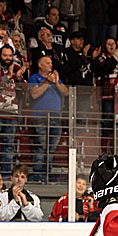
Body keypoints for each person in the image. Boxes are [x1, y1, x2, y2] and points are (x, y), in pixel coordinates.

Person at [0, 45, 26, 177]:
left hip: (11, 113)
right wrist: (7, 77)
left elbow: (25, 89)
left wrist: (18, 78)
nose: (8, 58)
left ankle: (7, 175)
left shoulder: (16, 69)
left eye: (10, 55)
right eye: (5, 55)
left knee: (9, 146)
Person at [27, 54, 68, 182]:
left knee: (51, 147)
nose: (51, 65)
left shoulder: (55, 78)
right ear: (40, 65)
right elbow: (34, 94)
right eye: (48, 63)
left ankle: (47, 174)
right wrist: (47, 82)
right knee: (41, 146)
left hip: (56, 117)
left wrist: (56, 82)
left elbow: (66, 92)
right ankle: (38, 175)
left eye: (51, 63)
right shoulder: (34, 78)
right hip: (40, 117)